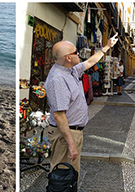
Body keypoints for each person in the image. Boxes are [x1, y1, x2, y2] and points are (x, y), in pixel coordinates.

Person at [44, 34, 119, 173]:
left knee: (71, 175)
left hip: (73, 132)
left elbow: (90, 62)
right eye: (76, 52)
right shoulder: (58, 80)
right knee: (62, 176)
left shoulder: (71, 70)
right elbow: (59, 115)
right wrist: (71, 144)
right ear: (68, 58)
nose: (79, 53)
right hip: (65, 135)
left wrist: (107, 46)